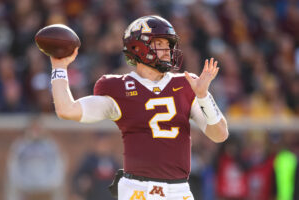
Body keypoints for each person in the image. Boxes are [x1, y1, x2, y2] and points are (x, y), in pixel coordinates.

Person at [49, 15, 229, 200]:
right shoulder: (119, 88)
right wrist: (59, 67)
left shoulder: (187, 84)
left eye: (169, 44)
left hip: (179, 191)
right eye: (160, 43)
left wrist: (203, 97)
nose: (168, 50)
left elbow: (220, 134)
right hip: (138, 191)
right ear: (138, 47)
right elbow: (67, 110)